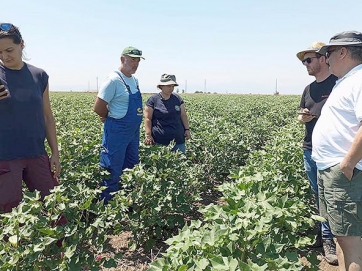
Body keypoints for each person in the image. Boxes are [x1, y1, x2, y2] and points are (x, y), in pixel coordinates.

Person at [0, 23, 63, 215]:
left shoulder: (39, 75)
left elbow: (47, 116)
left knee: (53, 206)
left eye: (9, 50)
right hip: (5, 156)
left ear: (22, 44)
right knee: (9, 214)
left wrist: (55, 153)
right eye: (0, 52)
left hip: (36, 153)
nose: (5, 56)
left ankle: (58, 245)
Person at [312, 31, 362, 271]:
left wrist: (348, 163)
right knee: (341, 238)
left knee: (350, 242)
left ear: (343, 52)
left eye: (328, 53)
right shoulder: (347, 80)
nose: (325, 59)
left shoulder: (360, 79)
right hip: (331, 169)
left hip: (342, 171)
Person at [296, 42, 338, 265]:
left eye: (309, 60)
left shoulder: (339, 84)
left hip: (333, 152)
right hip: (310, 149)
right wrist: (302, 117)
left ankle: (331, 239)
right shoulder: (308, 89)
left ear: (323, 59)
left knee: (333, 197)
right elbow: (302, 113)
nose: (305, 64)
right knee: (318, 195)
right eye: (304, 61)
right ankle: (325, 235)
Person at [93, 46, 144, 203]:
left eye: (137, 61)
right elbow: (98, 107)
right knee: (112, 168)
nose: (135, 64)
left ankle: (126, 202)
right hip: (117, 130)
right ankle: (107, 205)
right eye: (132, 60)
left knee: (131, 165)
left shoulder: (134, 81)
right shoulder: (114, 80)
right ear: (123, 59)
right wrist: (107, 117)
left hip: (133, 132)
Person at [144, 74, 191, 153]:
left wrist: (187, 129)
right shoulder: (153, 100)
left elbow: (183, 115)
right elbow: (148, 118)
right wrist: (148, 135)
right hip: (160, 141)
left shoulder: (177, 99)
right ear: (161, 86)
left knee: (180, 163)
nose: (171, 88)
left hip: (178, 140)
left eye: (173, 86)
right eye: (169, 86)